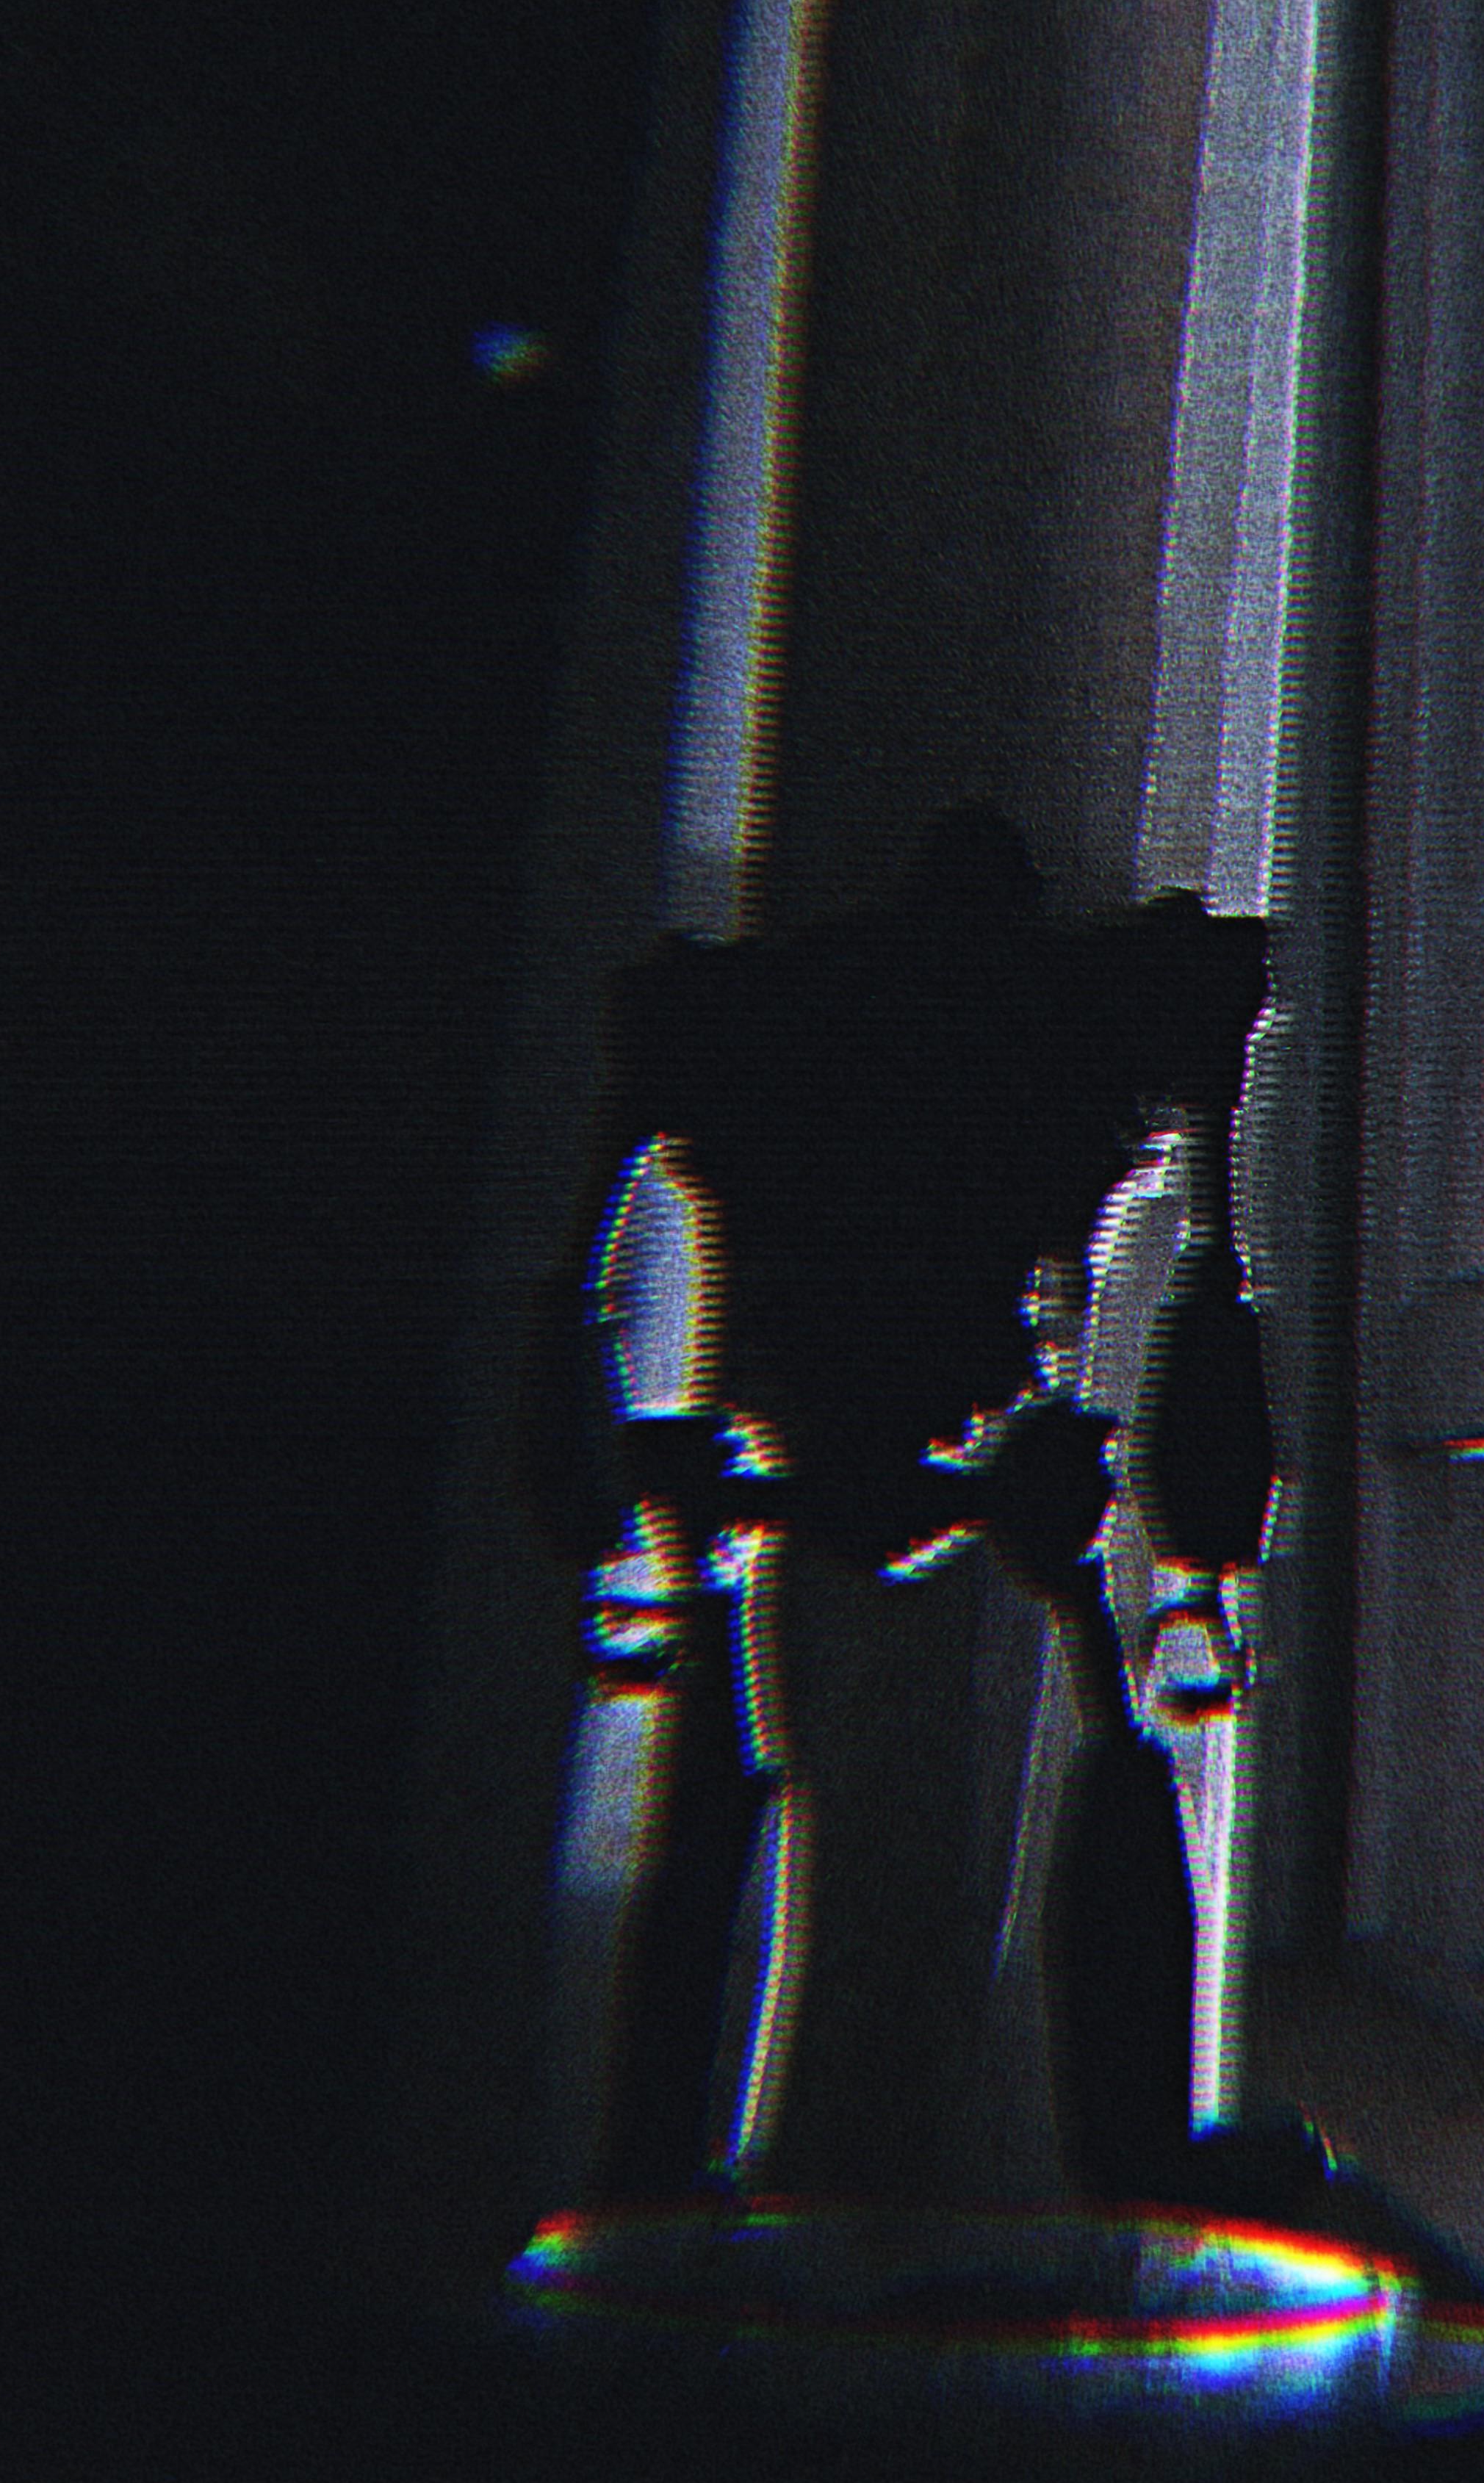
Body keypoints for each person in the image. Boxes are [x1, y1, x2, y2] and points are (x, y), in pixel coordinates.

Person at [519, 806, 1281, 2208]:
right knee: (796, 1759)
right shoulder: (1059, 1034)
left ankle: (670, 2190)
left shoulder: (746, 1029)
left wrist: (1185, 1570)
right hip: (866, 1435)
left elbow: (578, 1287)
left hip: (824, 1439)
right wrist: (1189, 1569)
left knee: (747, 1763)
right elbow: (1212, 1265)